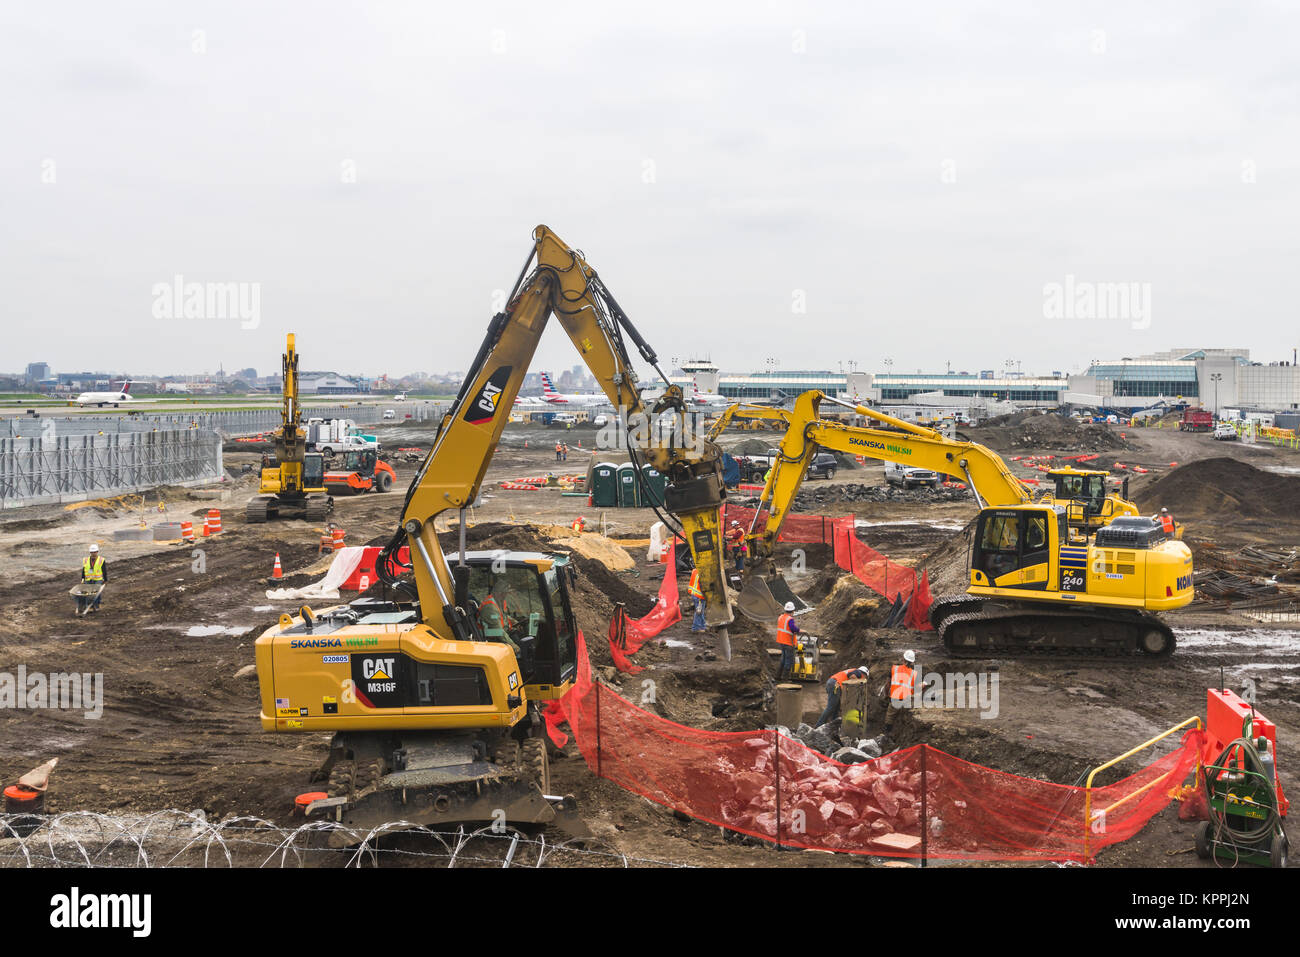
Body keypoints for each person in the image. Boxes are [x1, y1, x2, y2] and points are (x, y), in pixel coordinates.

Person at [76, 543, 107, 617]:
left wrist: (105, 579)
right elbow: (84, 570)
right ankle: (88, 605)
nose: (93, 553)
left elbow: (104, 570)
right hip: (88, 578)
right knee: (87, 592)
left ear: (97, 552)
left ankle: (96, 605)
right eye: (92, 552)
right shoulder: (86, 560)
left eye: (95, 552)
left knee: (96, 592)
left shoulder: (101, 560)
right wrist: (82, 579)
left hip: (98, 579)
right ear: (90, 552)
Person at [776, 601, 800, 679]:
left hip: (781, 641)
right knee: (788, 660)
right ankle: (785, 679)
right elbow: (793, 629)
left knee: (783, 659)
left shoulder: (780, 617)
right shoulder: (790, 619)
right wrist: (800, 630)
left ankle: (778, 676)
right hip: (788, 642)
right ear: (793, 611)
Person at [688, 566, 707, 633]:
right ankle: (696, 628)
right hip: (699, 596)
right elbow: (705, 586)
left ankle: (702, 626)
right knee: (699, 612)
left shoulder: (695, 570)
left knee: (700, 611)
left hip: (694, 594)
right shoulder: (704, 574)